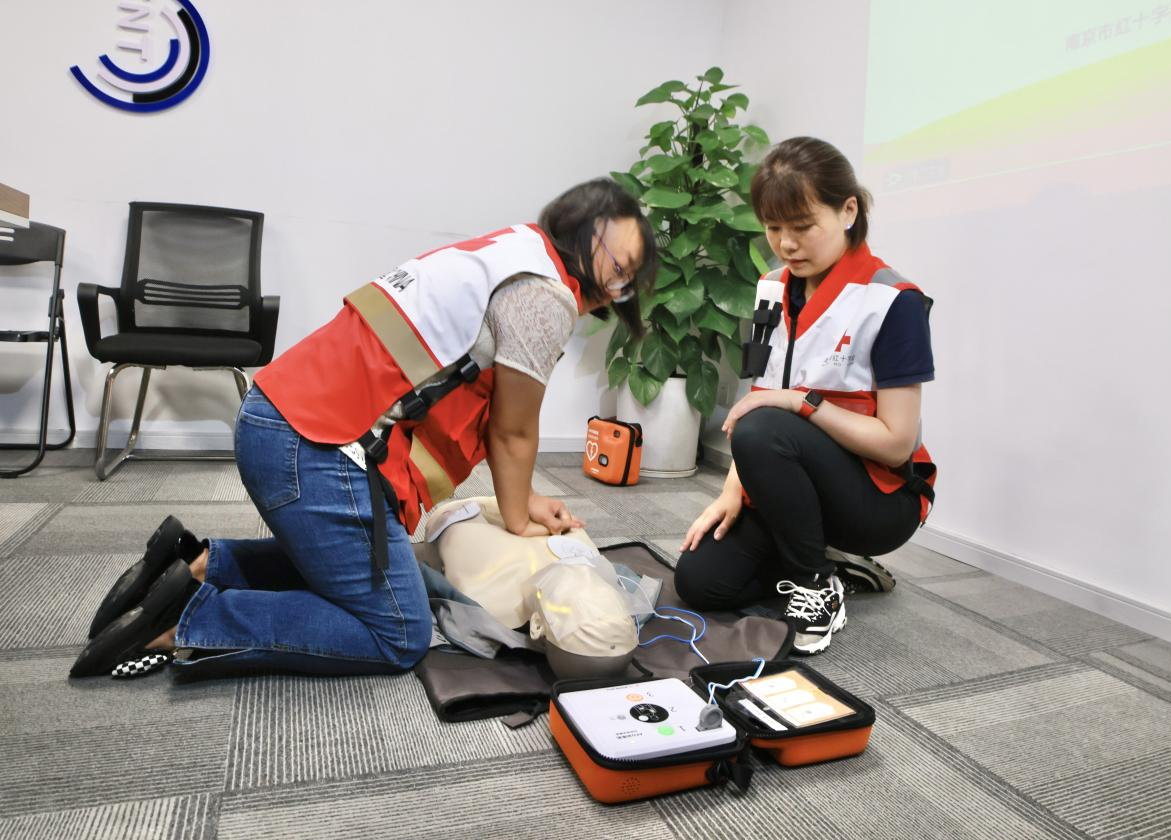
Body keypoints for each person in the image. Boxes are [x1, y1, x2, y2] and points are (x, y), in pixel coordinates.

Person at [72, 177, 657, 679]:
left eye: (628, 279)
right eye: (618, 267)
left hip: (276, 417)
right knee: (400, 630)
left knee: (365, 569)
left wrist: (525, 499)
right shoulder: (544, 295)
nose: (618, 288)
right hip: (314, 450)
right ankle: (185, 622)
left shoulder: (509, 250)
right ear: (583, 231)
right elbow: (513, 433)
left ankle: (195, 565)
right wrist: (519, 519)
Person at [672, 137, 936, 656]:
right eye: (774, 228)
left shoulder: (892, 301)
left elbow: (896, 445)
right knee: (701, 584)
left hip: (878, 498)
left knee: (765, 426)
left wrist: (805, 403)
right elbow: (759, 397)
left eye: (802, 226)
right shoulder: (772, 287)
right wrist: (732, 492)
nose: (786, 244)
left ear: (848, 211)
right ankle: (828, 563)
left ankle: (816, 582)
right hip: (793, 485)